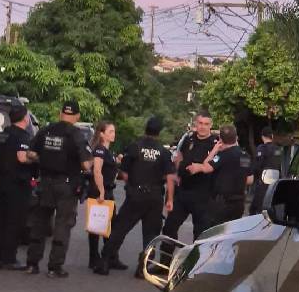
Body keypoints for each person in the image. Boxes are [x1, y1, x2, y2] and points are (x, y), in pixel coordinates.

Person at [94, 116, 175, 278]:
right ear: (159, 132)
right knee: (150, 235)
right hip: (154, 196)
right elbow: (170, 178)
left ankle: (105, 261)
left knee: (120, 228)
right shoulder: (164, 152)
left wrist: (131, 184)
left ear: (145, 129)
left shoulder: (134, 147)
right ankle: (142, 268)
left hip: (135, 195)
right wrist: (170, 200)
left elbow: (124, 171)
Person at [26, 100, 92, 278]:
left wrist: (44, 160)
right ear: (77, 116)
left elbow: (30, 153)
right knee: (63, 224)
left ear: (60, 113)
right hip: (66, 185)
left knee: (39, 223)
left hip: (45, 182)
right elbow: (86, 165)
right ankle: (54, 267)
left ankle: (32, 264)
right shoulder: (76, 135)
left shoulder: (46, 130)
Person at [0, 102, 36, 270]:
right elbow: (22, 157)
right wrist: (36, 159)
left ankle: (0, 256)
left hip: (2, 182)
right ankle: (9, 259)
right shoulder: (23, 136)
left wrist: (5, 158)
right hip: (18, 184)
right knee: (15, 222)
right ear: (25, 118)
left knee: (3, 220)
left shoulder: (2, 135)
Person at [162, 112, 217, 241]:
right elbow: (178, 157)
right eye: (200, 123)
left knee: (200, 235)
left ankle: (195, 261)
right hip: (183, 192)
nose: (203, 127)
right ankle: (167, 259)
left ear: (211, 125)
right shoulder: (188, 139)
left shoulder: (216, 143)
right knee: (169, 228)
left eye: (206, 124)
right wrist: (176, 174)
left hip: (203, 195)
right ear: (195, 124)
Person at [195, 124, 253, 227]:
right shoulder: (245, 156)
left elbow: (205, 167)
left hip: (221, 203)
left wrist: (214, 150)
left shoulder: (222, 155)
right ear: (236, 138)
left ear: (220, 139)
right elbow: (249, 180)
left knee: (215, 233)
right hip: (238, 203)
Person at [87, 122, 127, 271]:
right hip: (100, 192)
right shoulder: (100, 150)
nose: (113, 134)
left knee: (108, 226)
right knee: (97, 226)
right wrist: (102, 191)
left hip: (107, 191)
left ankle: (110, 257)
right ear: (102, 134)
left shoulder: (107, 151)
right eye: (110, 131)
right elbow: (97, 171)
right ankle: (95, 258)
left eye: (114, 131)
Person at [249, 126, 283, 215]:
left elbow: (257, 165)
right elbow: (280, 166)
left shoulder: (261, 148)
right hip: (275, 184)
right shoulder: (278, 149)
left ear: (262, 137)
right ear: (272, 136)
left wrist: (251, 174)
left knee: (255, 208)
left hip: (263, 183)